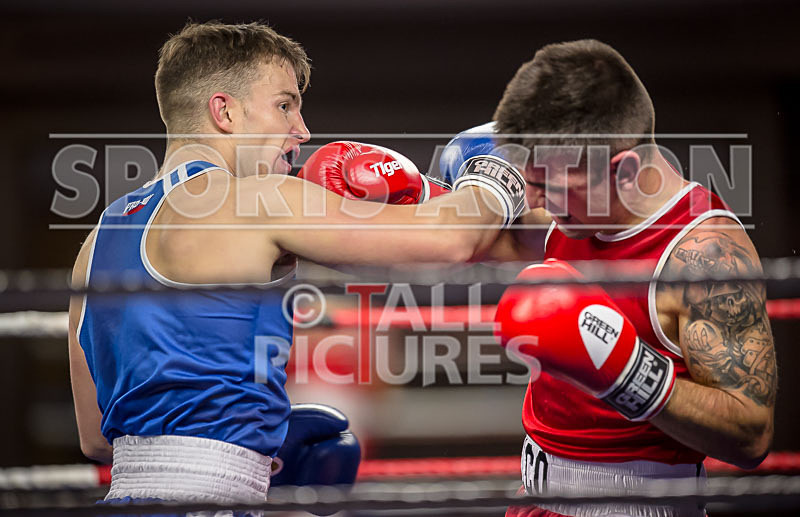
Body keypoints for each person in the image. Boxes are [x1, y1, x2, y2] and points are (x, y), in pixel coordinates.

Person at [67, 21, 526, 510]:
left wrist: (248, 447)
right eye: (284, 105)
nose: (301, 131)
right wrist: (497, 171)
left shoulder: (95, 243)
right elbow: (452, 240)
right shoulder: (259, 198)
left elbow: (96, 437)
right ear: (224, 111)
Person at [456, 39, 776, 517]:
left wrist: (628, 372)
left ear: (623, 171)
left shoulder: (704, 254)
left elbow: (752, 437)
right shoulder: (571, 213)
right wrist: (408, 190)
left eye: (550, 182)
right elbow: (461, 240)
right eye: (530, 177)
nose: (536, 197)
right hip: (535, 502)